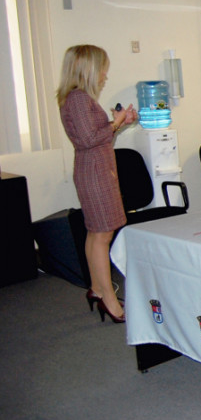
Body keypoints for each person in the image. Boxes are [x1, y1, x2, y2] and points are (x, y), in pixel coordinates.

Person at [58, 44, 136, 323]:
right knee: (102, 234)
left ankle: (97, 288)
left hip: (96, 169)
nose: (105, 75)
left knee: (97, 233)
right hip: (95, 173)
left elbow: (99, 138)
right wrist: (115, 123)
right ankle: (108, 298)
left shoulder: (79, 98)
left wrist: (121, 123)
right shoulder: (79, 99)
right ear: (88, 68)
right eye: (102, 68)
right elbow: (90, 139)